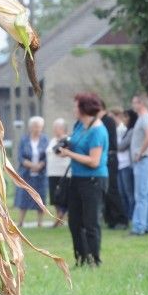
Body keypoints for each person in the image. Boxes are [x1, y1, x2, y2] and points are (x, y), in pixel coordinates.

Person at [57, 93, 109, 266]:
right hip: (77, 180)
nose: (74, 109)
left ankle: (95, 258)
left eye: (76, 106)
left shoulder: (98, 131)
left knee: (90, 222)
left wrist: (69, 154)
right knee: (75, 223)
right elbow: (75, 142)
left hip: (93, 180)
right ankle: (81, 258)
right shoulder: (80, 125)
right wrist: (65, 144)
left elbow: (94, 161)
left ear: (84, 109)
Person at [129, 94, 148, 235]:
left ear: (141, 103)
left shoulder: (146, 118)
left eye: (134, 102)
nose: (133, 105)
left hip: (144, 159)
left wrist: (140, 152)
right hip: (145, 160)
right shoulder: (143, 118)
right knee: (147, 193)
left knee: (141, 194)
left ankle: (139, 226)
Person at [14, 116, 48, 227]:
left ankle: (40, 222)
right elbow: (20, 157)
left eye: (39, 127)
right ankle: (20, 222)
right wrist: (32, 165)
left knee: (40, 197)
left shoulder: (45, 139)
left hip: (41, 174)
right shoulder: (24, 140)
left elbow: (47, 155)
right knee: (24, 197)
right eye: (35, 126)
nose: (37, 129)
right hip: (26, 173)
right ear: (30, 127)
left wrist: (40, 165)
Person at [98, 101, 127, 229]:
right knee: (106, 191)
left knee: (112, 190)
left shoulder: (107, 120)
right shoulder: (101, 121)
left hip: (110, 158)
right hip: (105, 158)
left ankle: (121, 219)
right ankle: (111, 219)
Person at [45, 118, 70, 226]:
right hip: (52, 172)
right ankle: (58, 216)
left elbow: (60, 152)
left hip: (64, 172)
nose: (55, 129)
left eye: (57, 127)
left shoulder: (67, 140)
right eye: (54, 127)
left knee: (63, 196)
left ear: (63, 128)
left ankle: (61, 218)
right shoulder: (52, 140)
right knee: (54, 196)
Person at [116, 109, 138, 222]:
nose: (123, 120)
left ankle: (132, 216)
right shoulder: (125, 131)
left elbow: (122, 146)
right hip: (120, 165)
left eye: (125, 117)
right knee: (122, 192)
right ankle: (126, 215)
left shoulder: (131, 131)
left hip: (127, 165)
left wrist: (114, 145)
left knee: (129, 192)